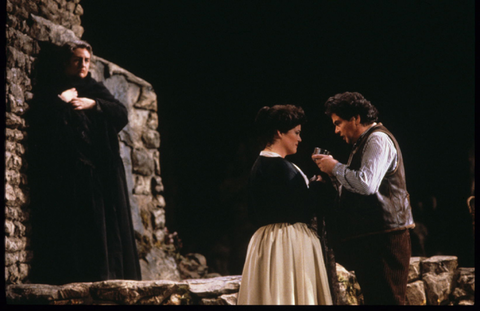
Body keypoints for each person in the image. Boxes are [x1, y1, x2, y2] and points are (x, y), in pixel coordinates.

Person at [27, 40, 142, 284]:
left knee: (105, 229)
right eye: (78, 59)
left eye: (87, 60)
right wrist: (61, 100)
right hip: (69, 174)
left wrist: (95, 104)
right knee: (77, 229)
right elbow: (41, 122)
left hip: (101, 172)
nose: (83, 64)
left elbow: (121, 113)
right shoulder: (53, 88)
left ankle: (107, 277)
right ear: (67, 61)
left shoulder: (94, 88)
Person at [312, 91, 415, 305]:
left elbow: (366, 184)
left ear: (356, 118)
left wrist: (335, 168)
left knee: (389, 300)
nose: (336, 130)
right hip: (375, 238)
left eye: (338, 122)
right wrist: (332, 179)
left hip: (386, 238)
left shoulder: (377, 139)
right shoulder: (363, 143)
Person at [237, 105, 332, 305]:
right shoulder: (277, 167)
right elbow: (300, 206)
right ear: (279, 132)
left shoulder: (268, 165)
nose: (300, 139)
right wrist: (318, 186)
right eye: (296, 133)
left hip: (272, 242)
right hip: (285, 243)